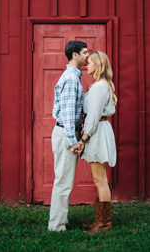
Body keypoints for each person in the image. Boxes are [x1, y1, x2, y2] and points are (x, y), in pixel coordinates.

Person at [48, 40, 88, 232]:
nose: (88, 56)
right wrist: (74, 142)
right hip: (66, 133)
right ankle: (56, 225)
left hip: (66, 132)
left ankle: (60, 220)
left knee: (64, 180)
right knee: (63, 182)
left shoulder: (73, 77)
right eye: (85, 52)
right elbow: (67, 113)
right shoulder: (72, 79)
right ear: (75, 55)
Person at [79, 50, 117, 234]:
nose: (87, 64)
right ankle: (100, 221)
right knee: (99, 179)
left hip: (98, 132)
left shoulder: (99, 87)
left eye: (90, 62)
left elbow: (93, 116)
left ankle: (104, 224)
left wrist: (84, 137)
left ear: (99, 65)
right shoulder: (100, 85)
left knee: (100, 180)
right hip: (100, 130)